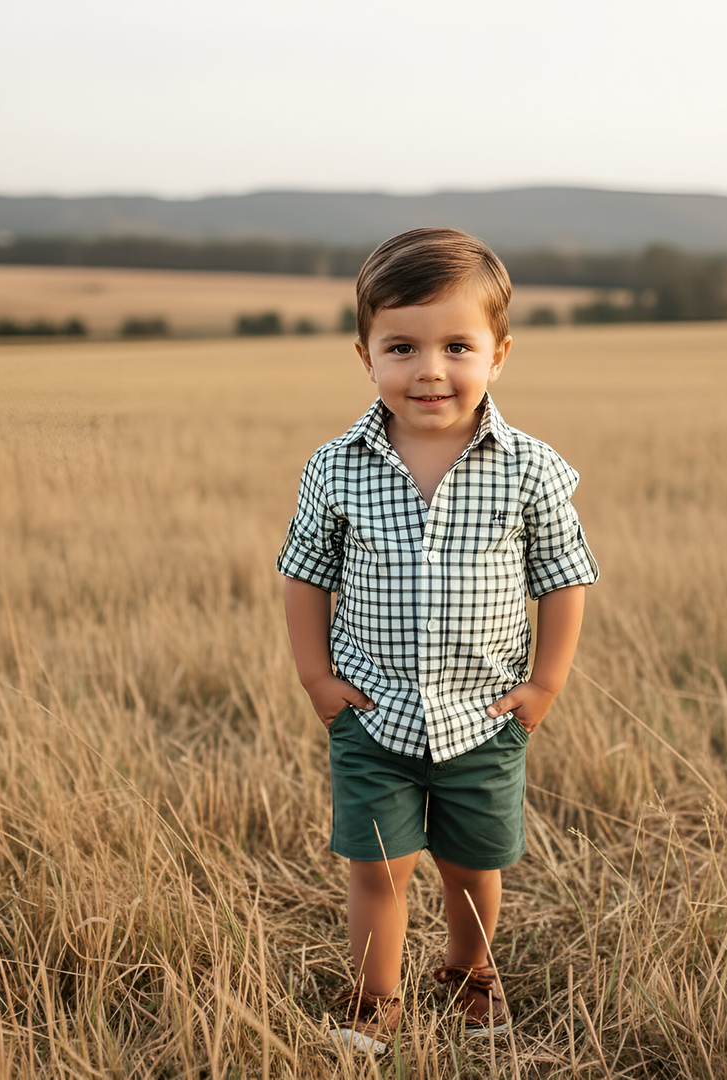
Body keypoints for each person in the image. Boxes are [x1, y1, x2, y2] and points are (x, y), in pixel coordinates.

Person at [277, 227, 598, 1052]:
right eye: (402, 346)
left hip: (484, 717)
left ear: (499, 354)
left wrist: (544, 686)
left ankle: (469, 972)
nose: (430, 369)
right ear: (365, 354)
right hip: (373, 716)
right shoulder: (335, 468)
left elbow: (564, 580)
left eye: (458, 344)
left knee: (470, 868)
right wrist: (317, 678)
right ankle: (373, 998)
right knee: (377, 867)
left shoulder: (531, 469)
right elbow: (306, 573)